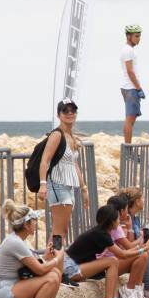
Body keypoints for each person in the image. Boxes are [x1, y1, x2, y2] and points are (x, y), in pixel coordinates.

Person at [0, 200, 67, 298]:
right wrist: (58, 258)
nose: (36, 224)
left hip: (12, 285)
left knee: (55, 273)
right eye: (34, 220)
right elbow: (40, 270)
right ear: (26, 224)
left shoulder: (19, 240)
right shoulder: (15, 242)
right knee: (52, 276)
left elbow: (36, 265)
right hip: (3, 290)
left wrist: (46, 257)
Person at [37, 99, 90, 248]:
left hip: (68, 187)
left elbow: (74, 164)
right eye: (65, 111)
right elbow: (45, 161)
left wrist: (84, 188)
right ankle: (54, 265)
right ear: (58, 115)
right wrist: (43, 184)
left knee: (61, 231)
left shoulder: (70, 136)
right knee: (59, 232)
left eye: (72, 110)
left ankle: (52, 262)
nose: (69, 113)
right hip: (57, 185)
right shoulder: (57, 135)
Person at [63, 204, 129, 298]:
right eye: (117, 218)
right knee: (113, 261)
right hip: (70, 268)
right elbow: (123, 255)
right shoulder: (101, 234)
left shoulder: (100, 232)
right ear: (111, 221)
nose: (119, 221)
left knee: (112, 263)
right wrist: (144, 249)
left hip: (73, 265)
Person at [100, 193, 149, 298]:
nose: (128, 212)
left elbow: (128, 244)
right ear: (120, 212)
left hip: (114, 261)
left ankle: (136, 288)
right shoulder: (115, 228)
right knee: (143, 254)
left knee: (143, 255)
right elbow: (130, 247)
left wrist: (130, 229)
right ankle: (129, 289)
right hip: (109, 264)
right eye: (126, 209)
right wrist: (142, 241)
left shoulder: (117, 225)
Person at [120, 25, 145, 144]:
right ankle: (128, 148)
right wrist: (139, 88)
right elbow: (130, 71)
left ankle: (128, 146)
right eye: (136, 36)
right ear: (128, 36)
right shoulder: (128, 50)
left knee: (130, 118)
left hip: (128, 87)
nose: (138, 38)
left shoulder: (128, 50)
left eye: (139, 36)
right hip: (131, 88)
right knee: (130, 119)